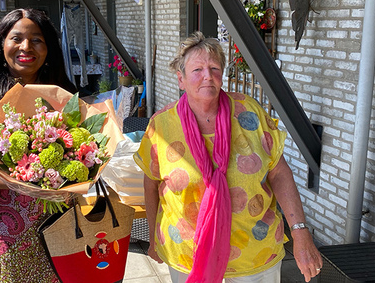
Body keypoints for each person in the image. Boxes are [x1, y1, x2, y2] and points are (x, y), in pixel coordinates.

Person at [134, 32, 322, 283]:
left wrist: (300, 233)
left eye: (214, 68)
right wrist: (152, 238)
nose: (207, 76)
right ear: (181, 79)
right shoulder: (162, 126)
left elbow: (279, 172)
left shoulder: (250, 114)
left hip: (254, 254)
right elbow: (151, 182)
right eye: (197, 69)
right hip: (187, 256)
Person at [0, 8, 77, 282]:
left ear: (48, 49)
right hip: (9, 241)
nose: (26, 47)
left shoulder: (63, 95)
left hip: (65, 232)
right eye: (16, 38)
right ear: (1, 44)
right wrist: (31, 177)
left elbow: (84, 153)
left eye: (37, 39)